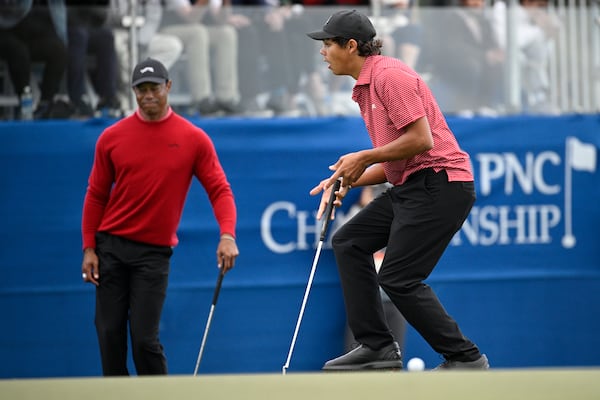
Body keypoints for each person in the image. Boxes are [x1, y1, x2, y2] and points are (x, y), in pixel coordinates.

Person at [307, 9, 489, 371]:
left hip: (441, 184)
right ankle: (376, 346)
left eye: (328, 44)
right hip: (414, 185)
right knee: (349, 242)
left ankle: (465, 358)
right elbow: (395, 162)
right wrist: (346, 178)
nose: (323, 52)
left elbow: (420, 140)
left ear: (352, 45)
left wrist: (362, 156)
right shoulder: (365, 88)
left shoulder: (389, 75)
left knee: (398, 277)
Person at [80, 57, 239, 376]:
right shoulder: (111, 137)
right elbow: (96, 194)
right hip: (110, 246)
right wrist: (89, 248)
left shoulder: (193, 138)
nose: (148, 94)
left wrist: (227, 234)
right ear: (134, 92)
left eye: (154, 87)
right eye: (141, 89)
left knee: (143, 340)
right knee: (109, 334)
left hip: (153, 254)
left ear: (168, 87)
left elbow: (219, 190)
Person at [66, 1, 122, 118]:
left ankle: (107, 97)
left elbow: (101, 15)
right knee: (79, 36)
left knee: (106, 37)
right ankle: (78, 98)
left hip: (84, 25)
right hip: (61, 24)